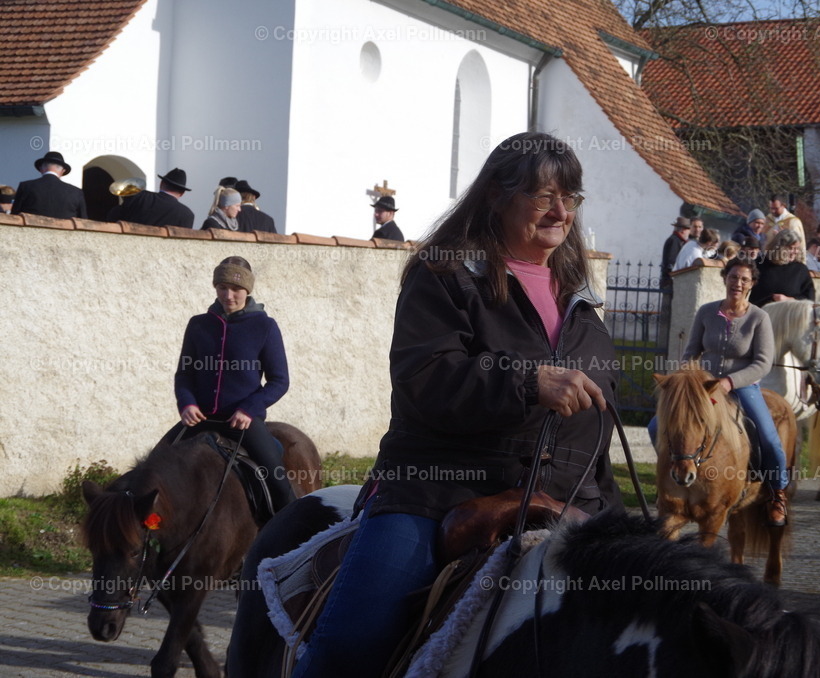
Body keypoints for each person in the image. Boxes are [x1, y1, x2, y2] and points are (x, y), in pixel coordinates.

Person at [292, 132, 623, 677]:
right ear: (496, 195)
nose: (560, 211)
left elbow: (595, 441)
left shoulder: (584, 307)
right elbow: (425, 378)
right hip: (435, 494)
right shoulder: (444, 276)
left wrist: (615, 520)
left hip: (563, 503)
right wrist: (527, 382)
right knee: (354, 643)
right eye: (542, 196)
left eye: (570, 197)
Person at [165, 256, 295, 511]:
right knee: (155, 463)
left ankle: (292, 533)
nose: (229, 295)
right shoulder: (198, 325)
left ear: (247, 290)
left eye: (236, 289)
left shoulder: (265, 326)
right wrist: (187, 404)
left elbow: (279, 381)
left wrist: (249, 409)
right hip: (199, 420)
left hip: (242, 423)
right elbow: (184, 374)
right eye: (222, 287)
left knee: (279, 483)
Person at [683, 257, 790, 525]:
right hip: (704, 386)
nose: (738, 283)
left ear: (752, 283)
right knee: (657, 426)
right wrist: (686, 376)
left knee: (769, 438)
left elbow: (763, 363)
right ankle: (679, 474)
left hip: (742, 387)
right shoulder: (706, 312)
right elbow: (691, 350)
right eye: (733, 277)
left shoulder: (759, 317)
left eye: (744, 279)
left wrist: (730, 382)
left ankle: (777, 494)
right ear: (725, 278)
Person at [106, 168, 195, 229]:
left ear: (161, 183)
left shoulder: (138, 197)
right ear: (182, 193)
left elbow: (112, 217)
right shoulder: (187, 215)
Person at [11, 151, 87, 219]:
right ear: (62, 171)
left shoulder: (25, 187)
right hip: (64, 233)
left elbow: (14, 217)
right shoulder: (76, 192)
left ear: (41, 169)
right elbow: (83, 222)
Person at [750, 229, 815, 307]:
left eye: (797, 248)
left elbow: (810, 298)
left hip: (790, 315)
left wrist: (789, 299)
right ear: (779, 247)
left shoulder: (800, 270)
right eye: (791, 248)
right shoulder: (759, 264)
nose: (795, 252)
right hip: (760, 313)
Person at [659, 216, 691, 287]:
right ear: (683, 230)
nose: (689, 232)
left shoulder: (677, 240)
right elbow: (672, 261)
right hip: (670, 281)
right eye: (688, 229)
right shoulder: (675, 241)